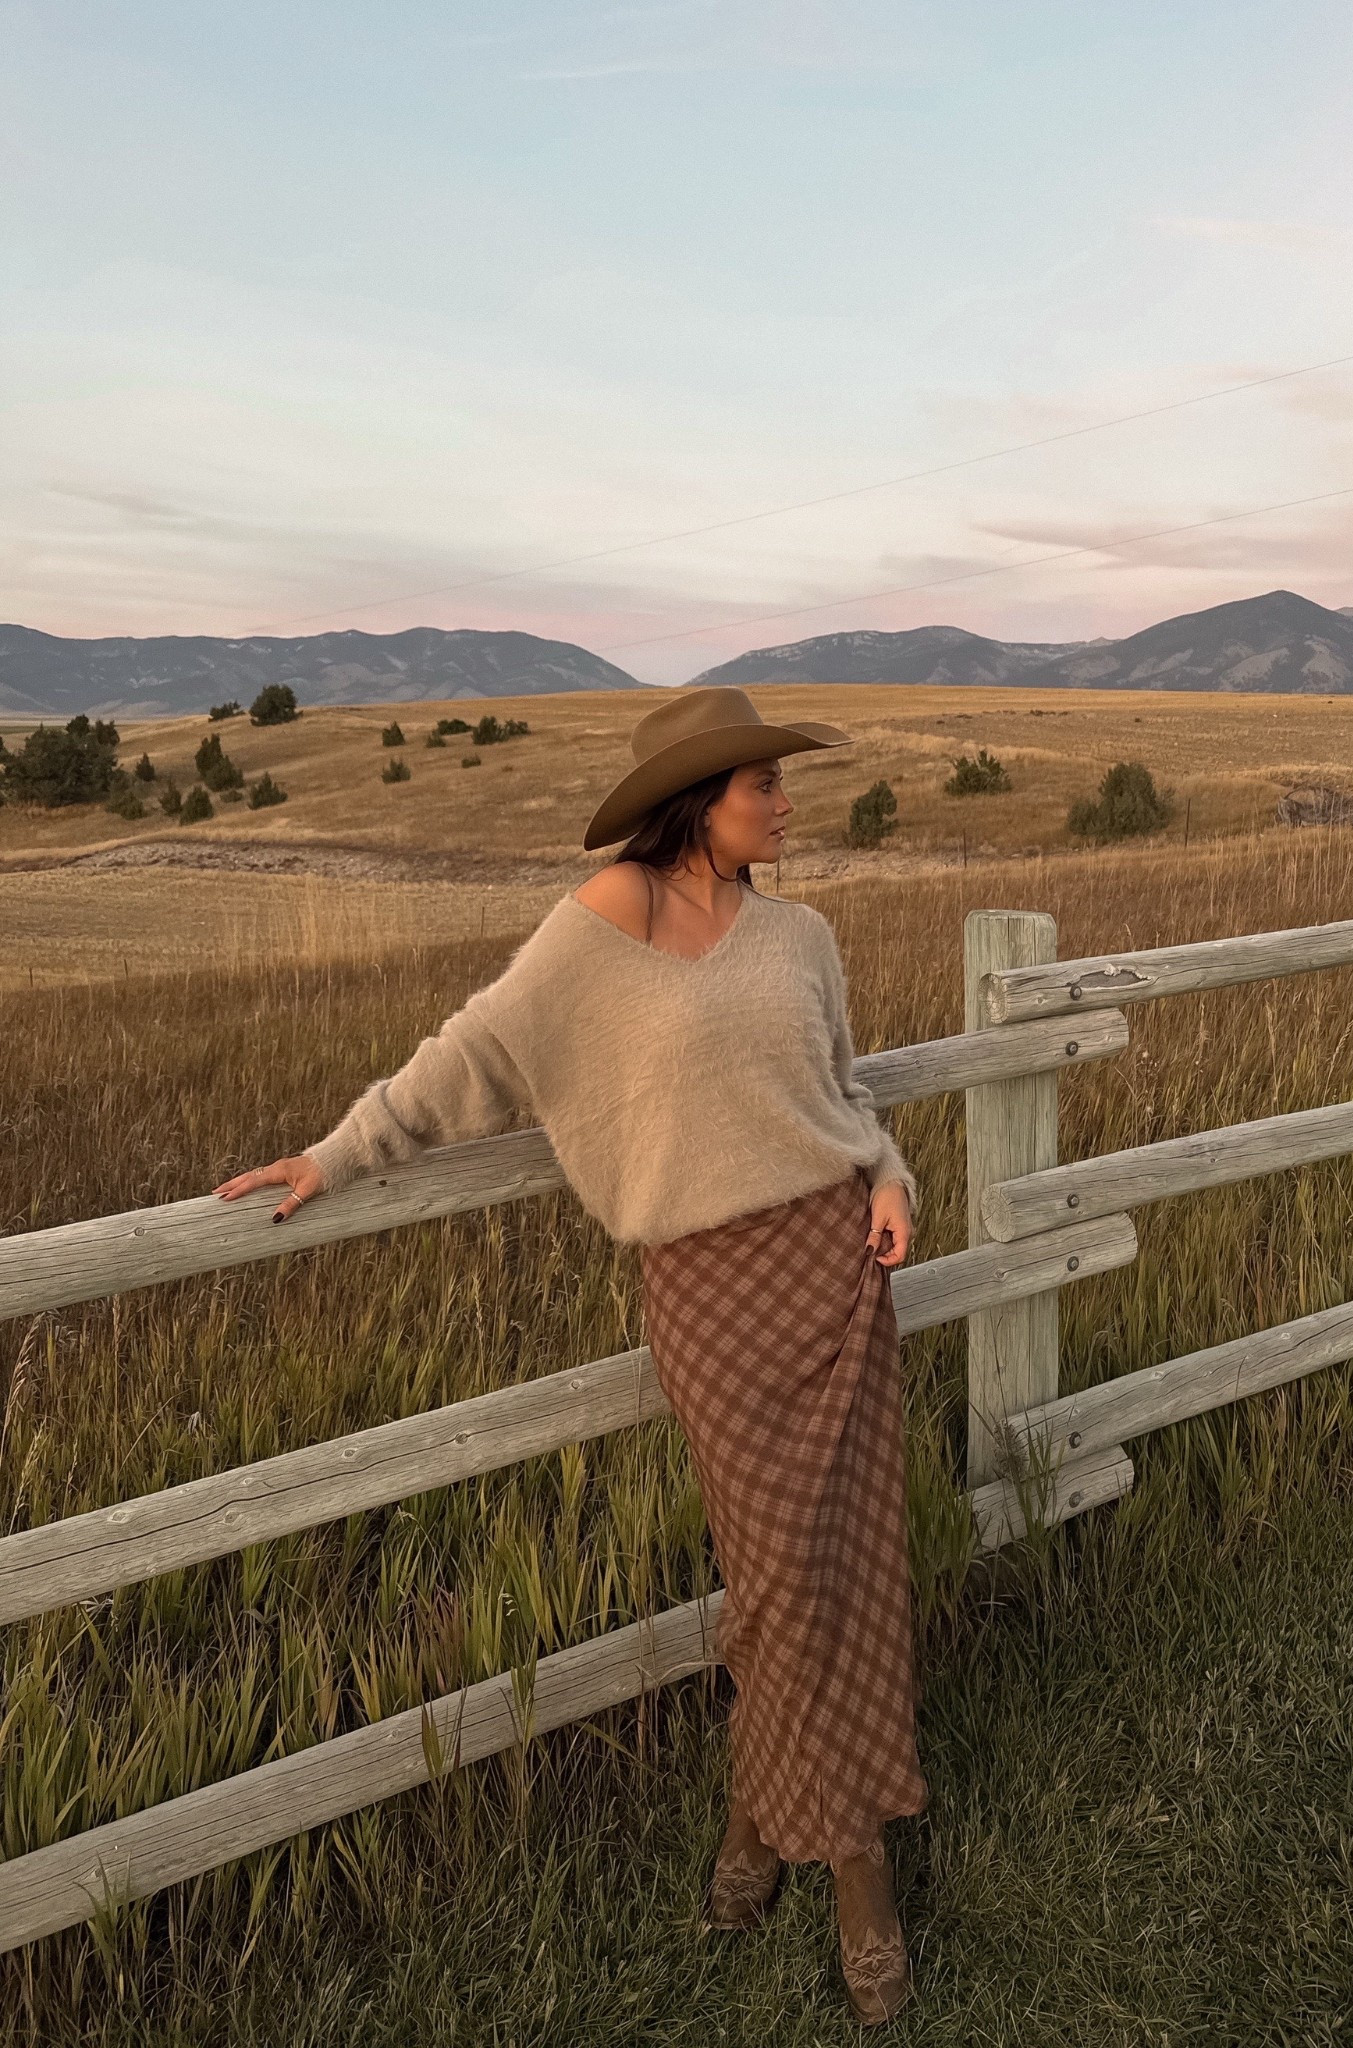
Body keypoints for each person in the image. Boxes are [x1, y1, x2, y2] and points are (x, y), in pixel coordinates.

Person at [213, 684, 927, 2025]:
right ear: (695, 805)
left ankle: (808, 1848)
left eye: (778, 779)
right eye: (759, 783)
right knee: (776, 1584)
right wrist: (335, 1152)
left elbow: (844, 1092)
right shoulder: (592, 936)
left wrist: (888, 1176)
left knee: (845, 1566)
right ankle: (830, 1840)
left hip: (835, 1271)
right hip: (712, 1298)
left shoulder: (805, 935)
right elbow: (466, 1057)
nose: (784, 800)